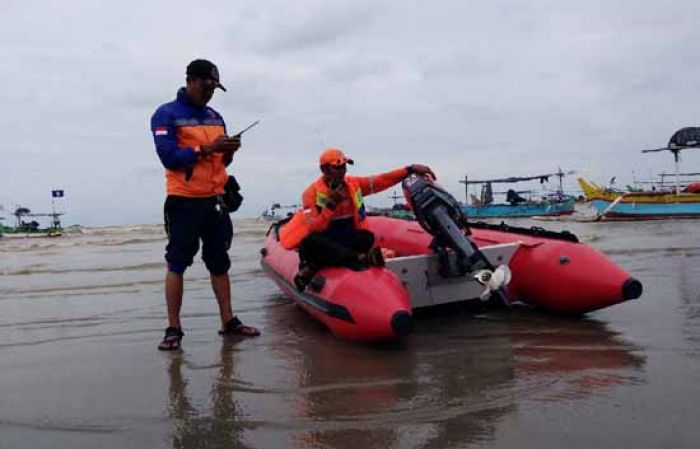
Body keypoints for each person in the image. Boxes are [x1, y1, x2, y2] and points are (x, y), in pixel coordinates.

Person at [151, 59, 259, 351]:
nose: (211, 92)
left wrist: (230, 151)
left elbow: (219, 161)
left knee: (219, 261)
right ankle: (173, 328)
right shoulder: (166, 114)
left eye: (215, 87)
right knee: (177, 263)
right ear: (190, 80)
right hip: (183, 201)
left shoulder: (215, 116)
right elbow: (170, 158)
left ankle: (228, 321)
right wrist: (209, 147)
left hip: (216, 201)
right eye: (207, 85)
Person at [279, 147, 435, 291]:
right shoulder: (311, 193)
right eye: (337, 167)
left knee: (367, 237)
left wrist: (409, 170)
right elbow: (314, 229)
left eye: (344, 167)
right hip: (325, 238)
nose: (342, 171)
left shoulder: (354, 184)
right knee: (310, 242)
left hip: (348, 237)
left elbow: (381, 180)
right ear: (324, 169)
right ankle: (359, 258)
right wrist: (331, 205)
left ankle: (315, 266)